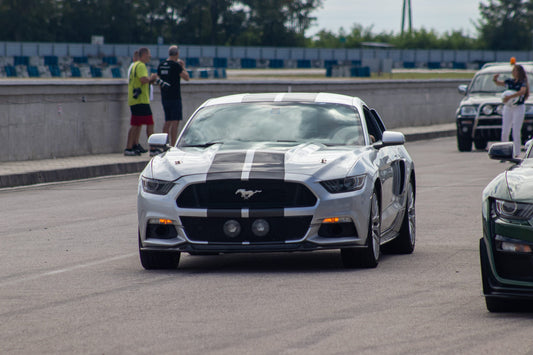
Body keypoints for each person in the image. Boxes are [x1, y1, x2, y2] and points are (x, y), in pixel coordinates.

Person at [125, 47, 158, 156]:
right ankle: (153, 148)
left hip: (134, 100)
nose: (150, 56)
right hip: (141, 101)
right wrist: (152, 78)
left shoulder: (134, 65)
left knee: (136, 124)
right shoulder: (141, 66)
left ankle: (129, 147)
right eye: (148, 54)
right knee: (150, 124)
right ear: (144, 55)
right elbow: (143, 79)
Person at [493, 63, 530, 157]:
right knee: (505, 130)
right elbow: (499, 83)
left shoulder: (522, 81)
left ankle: (516, 153)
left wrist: (510, 97)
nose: (513, 72)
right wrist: (495, 79)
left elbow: (522, 91)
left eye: (515, 70)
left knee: (516, 130)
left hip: (518, 107)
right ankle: (503, 152)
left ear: (519, 72)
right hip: (508, 107)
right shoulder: (510, 81)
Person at [157, 45, 190, 146]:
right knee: (175, 122)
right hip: (175, 97)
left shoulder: (161, 65)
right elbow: (187, 77)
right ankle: (173, 144)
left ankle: (163, 144)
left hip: (165, 97)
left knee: (167, 121)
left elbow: (158, 80)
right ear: (177, 54)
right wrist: (183, 66)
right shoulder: (176, 65)